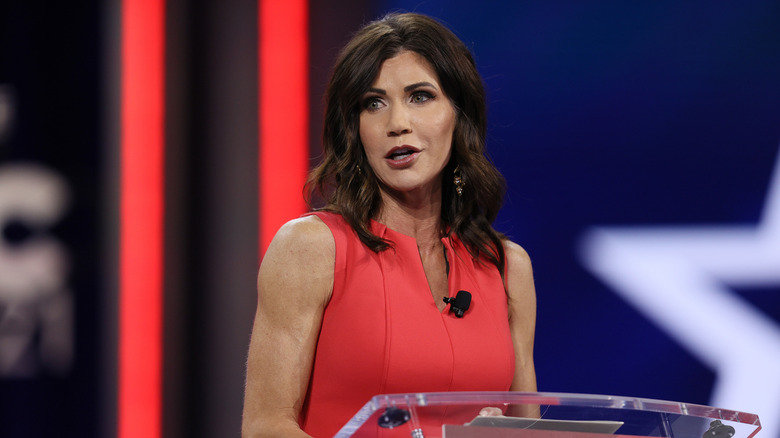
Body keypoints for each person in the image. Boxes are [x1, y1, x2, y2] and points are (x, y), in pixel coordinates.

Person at [242, 12, 537, 438]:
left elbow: (525, 428)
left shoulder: (507, 267)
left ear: (459, 114)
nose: (397, 123)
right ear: (354, 128)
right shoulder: (309, 248)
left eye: (420, 96)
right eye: (373, 103)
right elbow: (265, 426)